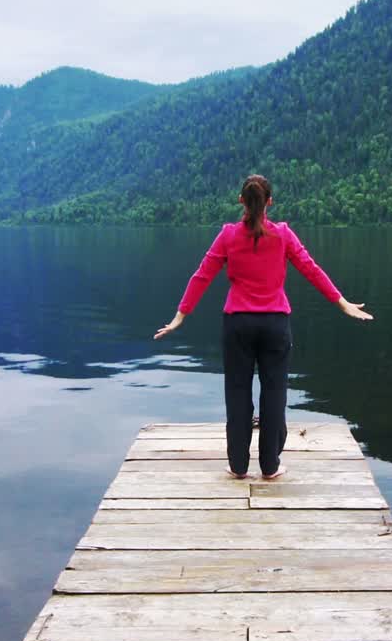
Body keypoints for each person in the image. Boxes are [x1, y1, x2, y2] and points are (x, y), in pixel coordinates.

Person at [154, 174, 373, 479]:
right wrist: (341, 302)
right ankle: (270, 466)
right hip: (275, 324)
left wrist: (181, 316)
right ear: (269, 202)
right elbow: (311, 269)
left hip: (238, 325)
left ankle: (238, 466)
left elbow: (202, 275)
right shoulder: (283, 235)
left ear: (241, 201)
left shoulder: (228, 236)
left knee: (238, 392)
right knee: (274, 392)